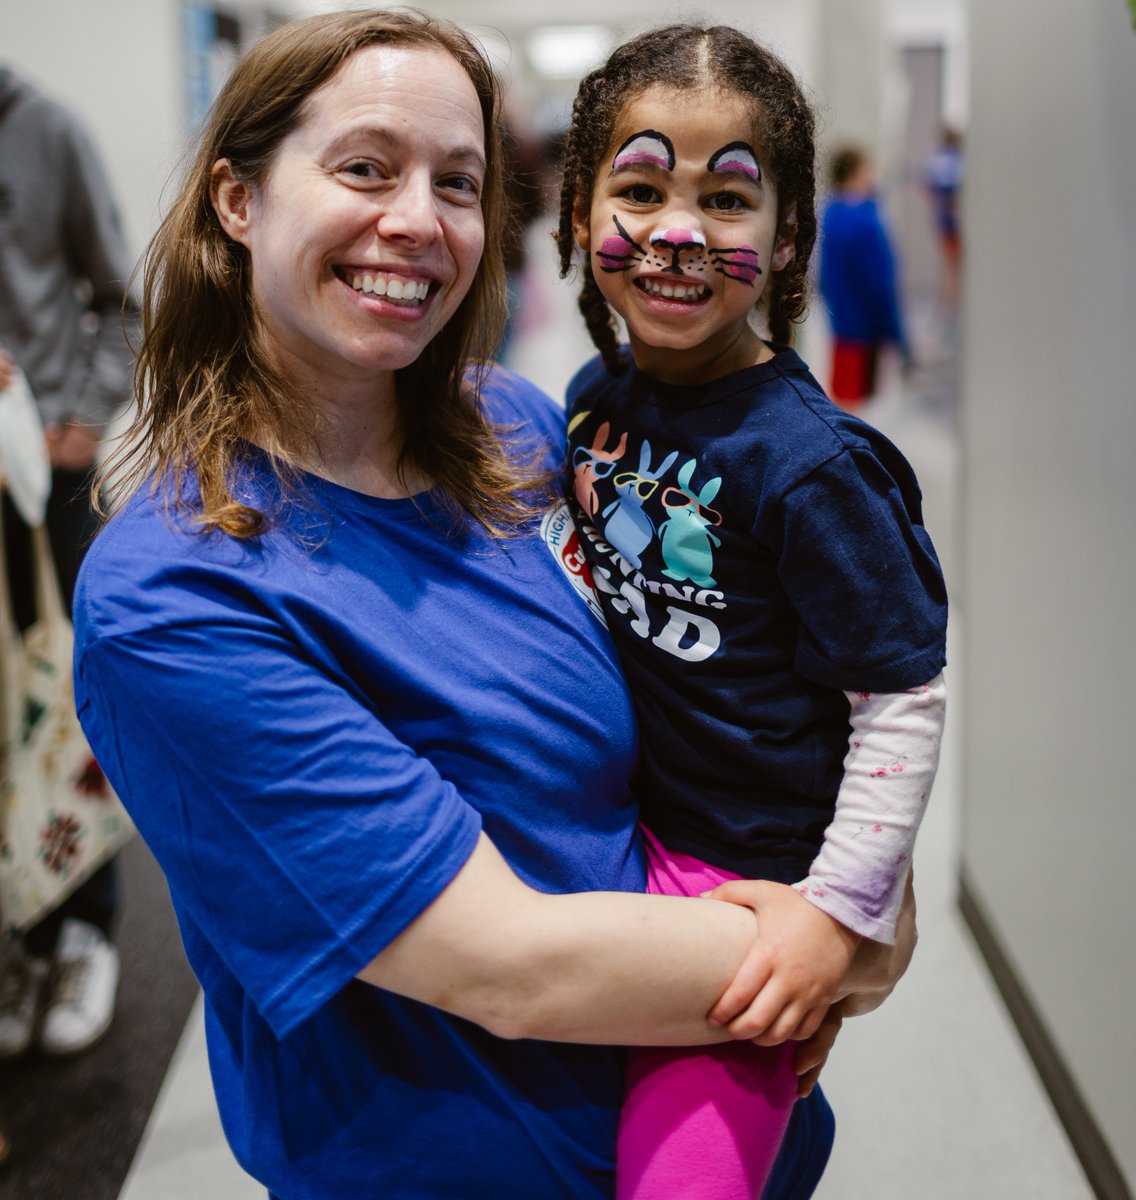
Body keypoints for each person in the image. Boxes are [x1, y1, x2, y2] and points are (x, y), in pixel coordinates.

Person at [70, 12, 911, 1199]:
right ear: (237, 200)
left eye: (457, 181)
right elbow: (510, 967)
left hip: (704, 1103)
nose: (416, 218)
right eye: (364, 167)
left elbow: (746, 669)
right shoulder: (175, 595)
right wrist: (834, 942)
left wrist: (857, 876)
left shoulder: (514, 427)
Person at [556, 24, 947, 1198]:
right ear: (583, 214)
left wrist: (835, 918)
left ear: (785, 238)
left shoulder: (810, 466)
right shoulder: (589, 400)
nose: (677, 233)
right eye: (639, 187)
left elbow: (900, 702)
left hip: (748, 885)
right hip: (617, 842)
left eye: (725, 200)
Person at [0, 60, 137, 1059]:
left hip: (40, 488)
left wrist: (80, 422)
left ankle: (83, 926)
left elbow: (121, 301)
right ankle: (18, 930)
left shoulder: (43, 128)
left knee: (66, 703)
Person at [817, 144, 910, 409]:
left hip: (841, 321)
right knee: (855, 405)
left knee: (843, 398)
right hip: (863, 327)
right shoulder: (864, 220)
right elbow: (879, 283)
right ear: (857, 172)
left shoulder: (831, 213)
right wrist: (895, 331)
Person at [923, 126, 964, 313]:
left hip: (942, 223)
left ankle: (946, 308)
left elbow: (927, 187)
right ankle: (951, 308)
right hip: (954, 224)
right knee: (954, 270)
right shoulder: (956, 162)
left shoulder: (937, 161)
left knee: (949, 268)